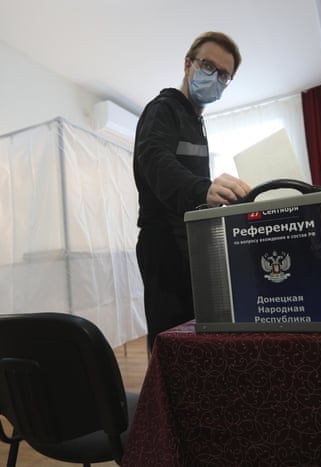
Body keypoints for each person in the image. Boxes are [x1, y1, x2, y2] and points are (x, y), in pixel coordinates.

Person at [133, 32, 251, 352]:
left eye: (224, 75)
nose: (215, 77)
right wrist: (205, 189)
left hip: (192, 244)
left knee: (199, 334)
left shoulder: (196, 124)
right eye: (208, 65)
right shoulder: (163, 110)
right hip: (165, 243)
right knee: (172, 341)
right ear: (188, 65)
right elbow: (156, 161)